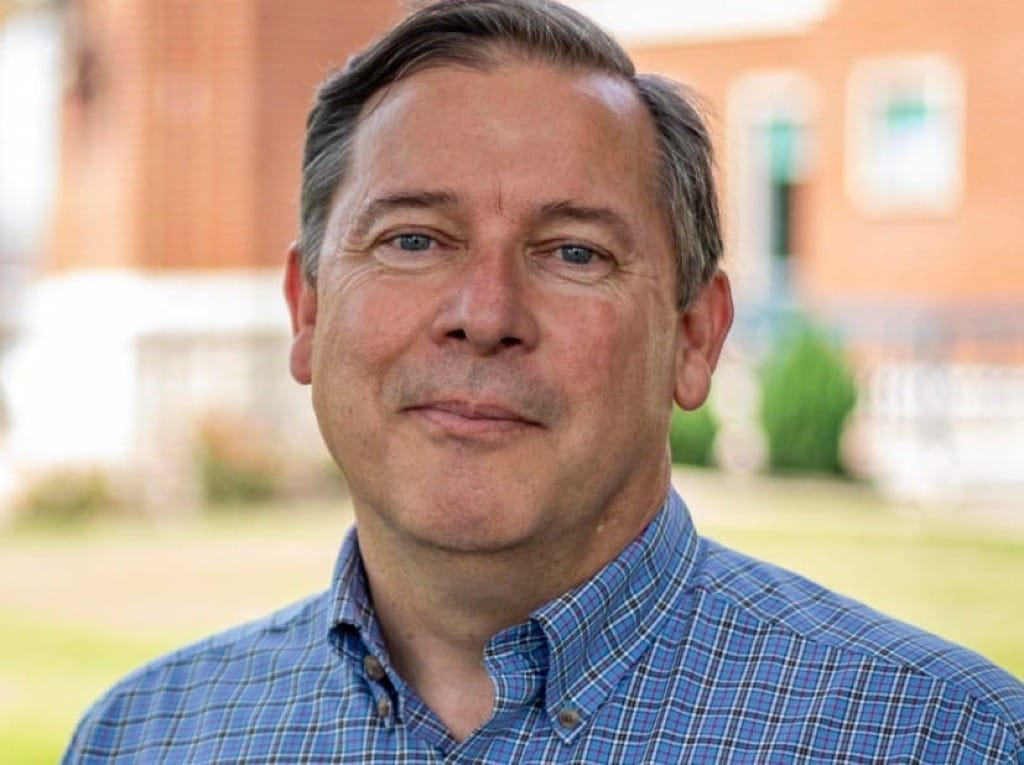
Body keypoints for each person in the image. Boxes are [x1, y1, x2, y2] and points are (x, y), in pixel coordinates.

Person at [64, 0, 1024, 761]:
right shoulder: (141, 738)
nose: (485, 313)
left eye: (573, 252)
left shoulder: (947, 740)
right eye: (412, 240)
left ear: (695, 337)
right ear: (308, 311)